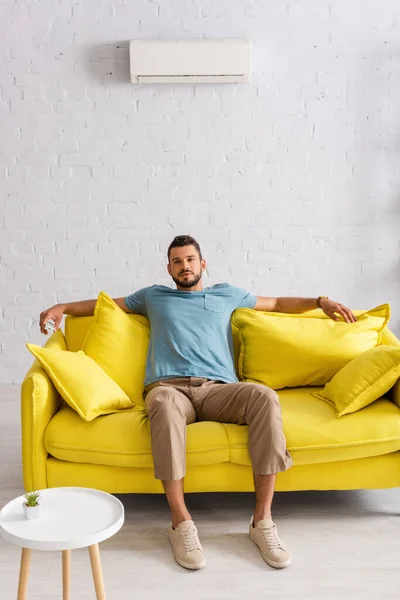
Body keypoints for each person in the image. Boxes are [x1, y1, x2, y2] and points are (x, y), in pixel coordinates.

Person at [39, 234, 357, 571]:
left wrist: (321, 301)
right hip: (170, 390)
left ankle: (262, 522)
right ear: (169, 269)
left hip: (219, 390)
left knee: (263, 396)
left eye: (190, 259)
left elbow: (277, 304)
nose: (184, 266)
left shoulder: (227, 294)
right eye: (177, 261)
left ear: (202, 264)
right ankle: (181, 523)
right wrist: (62, 307)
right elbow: (102, 305)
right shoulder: (153, 297)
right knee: (160, 402)